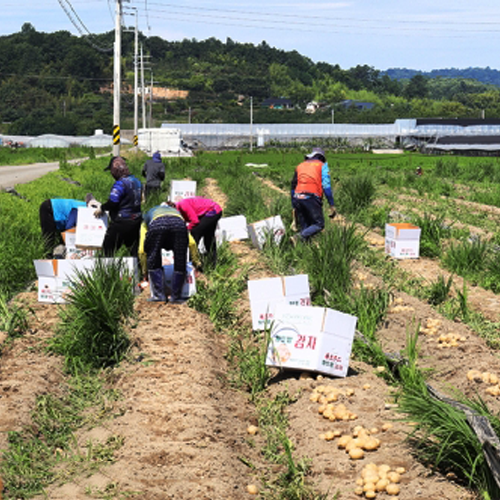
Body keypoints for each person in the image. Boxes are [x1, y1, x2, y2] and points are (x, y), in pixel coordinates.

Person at [138, 203, 201, 303]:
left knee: (153, 257)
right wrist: (196, 263)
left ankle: (159, 296)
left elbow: (142, 250)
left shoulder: (146, 220)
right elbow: (192, 243)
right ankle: (176, 297)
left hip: (157, 224)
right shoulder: (177, 215)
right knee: (180, 260)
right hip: (178, 225)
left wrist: (145, 271)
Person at [94, 156, 143, 257]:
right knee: (134, 252)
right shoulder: (136, 181)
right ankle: (138, 271)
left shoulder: (120, 184)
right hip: (136, 221)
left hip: (121, 222)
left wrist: (102, 208)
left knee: (107, 252)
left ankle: (105, 271)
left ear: (115, 171)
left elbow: (113, 202)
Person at [290, 147, 335, 242]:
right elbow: (326, 186)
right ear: (321, 157)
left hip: (298, 196)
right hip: (312, 197)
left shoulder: (300, 166)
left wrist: (294, 204)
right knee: (319, 224)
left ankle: (302, 251)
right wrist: (331, 204)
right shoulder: (322, 165)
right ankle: (297, 238)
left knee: (305, 227)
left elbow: (293, 186)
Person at [173, 196, 223, 266]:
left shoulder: (182, 205)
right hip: (210, 212)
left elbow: (195, 221)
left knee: (195, 233)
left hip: (213, 211)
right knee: (208, 236)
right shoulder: (179, 211)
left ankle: (193, 263)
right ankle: (212, 262)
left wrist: (188, 229)